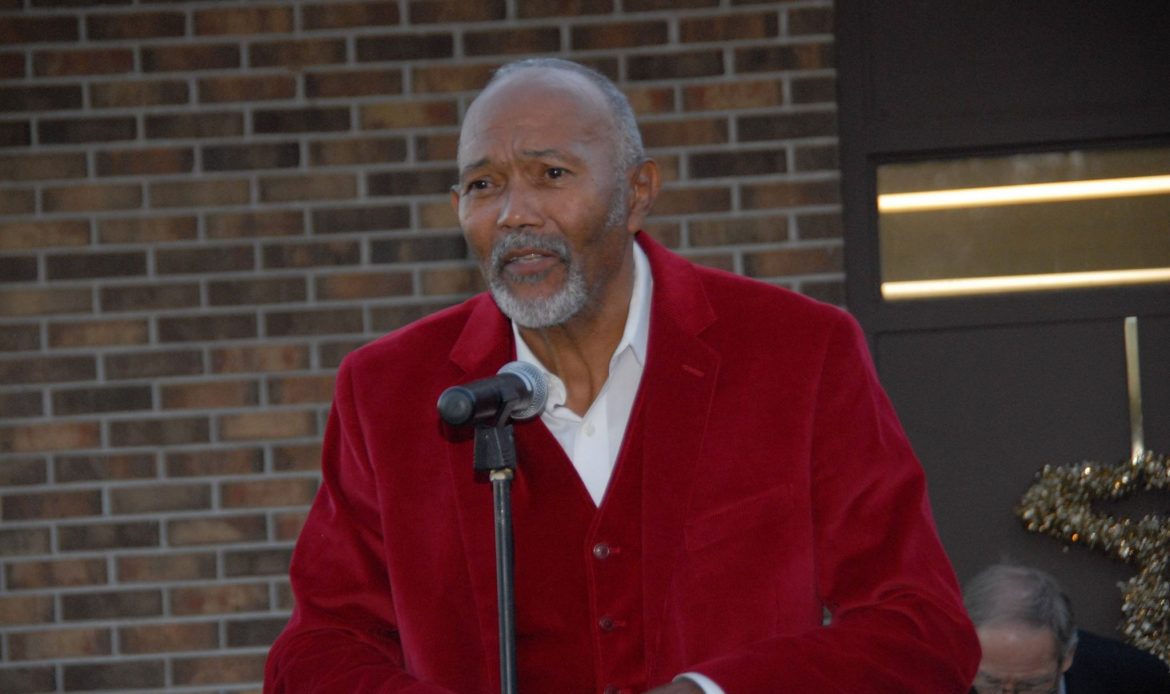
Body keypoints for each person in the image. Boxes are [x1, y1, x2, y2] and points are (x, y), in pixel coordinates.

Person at [264, 57, 979, 693]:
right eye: (484, 185)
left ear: (638, 193)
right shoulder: (385, 392)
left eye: (552, 174)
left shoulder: (800, 351)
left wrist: (711, 692)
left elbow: (922, 628)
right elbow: (315, 653)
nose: (515, 214)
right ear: (459, 210)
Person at [964, 564, 1170, 694]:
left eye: (1030, 686)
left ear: (1068, 655)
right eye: (991, 683)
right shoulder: (945, 682)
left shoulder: (1135, 680)